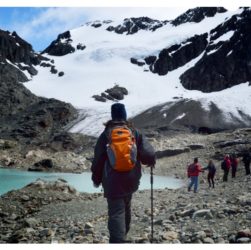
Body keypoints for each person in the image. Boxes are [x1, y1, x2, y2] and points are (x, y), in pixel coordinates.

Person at [91, 103, 156, 243]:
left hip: (112, 182)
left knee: (116, 212)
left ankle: (117, 241)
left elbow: (98, 160)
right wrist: (151, 161)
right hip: (131, 180)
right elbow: (149, 154)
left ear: (113, 116)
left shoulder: (106, 135)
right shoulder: (134, 132)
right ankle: (123, 236)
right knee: (126, 206)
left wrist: (96, 179)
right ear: (125, 115)